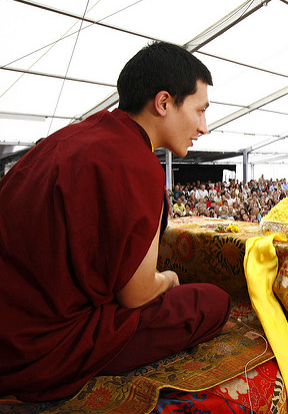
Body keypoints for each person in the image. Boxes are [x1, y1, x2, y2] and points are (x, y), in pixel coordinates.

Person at [0, 42, 232, 402]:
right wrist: (169, 279)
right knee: (211, 302)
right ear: (164, 103)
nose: (204, 126)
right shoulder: (136, 163)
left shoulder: (67, 138)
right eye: (200, 110)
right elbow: (136, 296)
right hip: (37, 346)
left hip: (12, 317)